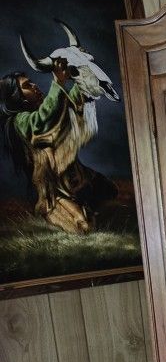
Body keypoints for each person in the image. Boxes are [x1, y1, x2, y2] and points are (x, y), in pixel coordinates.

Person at [0, 58, 116, 233]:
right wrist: (58, 82)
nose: (34, 85)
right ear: (18, 97)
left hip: (76, 177)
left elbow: (69, 107)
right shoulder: (20, 122)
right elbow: (43, 119)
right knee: (82, 225)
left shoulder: (50, 108)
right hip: (55, 191)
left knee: (110, 191)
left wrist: (79, 76)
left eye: (31, 82)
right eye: (26, 86)